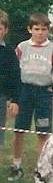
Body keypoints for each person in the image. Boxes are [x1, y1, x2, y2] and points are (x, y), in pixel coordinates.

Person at [9, 12, 53, 183]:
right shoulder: (22, 47)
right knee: (19, 129)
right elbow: (13, 69)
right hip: (24, 92)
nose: (40, 33)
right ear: (29, 29)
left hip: (43, 93)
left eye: (43, 29)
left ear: (48, 30)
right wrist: (13, 95)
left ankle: (40, 170)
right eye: (36, 29)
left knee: (43, 132)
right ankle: (16, 165)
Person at [0, 10, 21, 147]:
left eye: (0, 28)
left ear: (6, 30)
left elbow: (15, 77)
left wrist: (15, 100)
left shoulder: (9, 53)